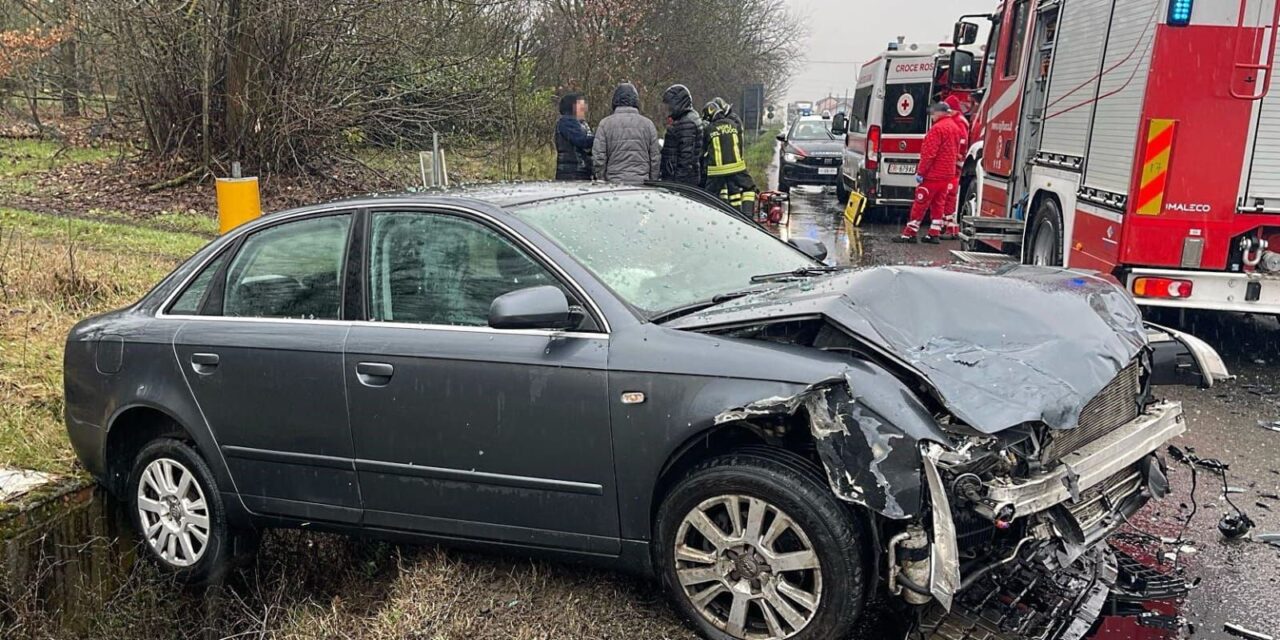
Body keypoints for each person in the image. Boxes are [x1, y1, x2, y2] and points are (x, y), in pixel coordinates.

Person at [896, 101, 962, 244]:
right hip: (947, 175)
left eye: (932, 113)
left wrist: (921, 172)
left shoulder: (937, 129)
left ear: (939, 113)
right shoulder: (955, 128)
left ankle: (909, 234)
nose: (931, 116)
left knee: (920, 203)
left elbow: (929, 154)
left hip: (933, 175)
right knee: (939, 204)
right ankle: (934, 233)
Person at [593, 83, 662, 185]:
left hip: (614, 183)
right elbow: (655, 159)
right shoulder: (648, 125)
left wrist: (601, 179)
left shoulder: (605, 124)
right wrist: (652, 180)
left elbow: (599, 157)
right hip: (642, 183)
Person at [702, 99, 757, 218]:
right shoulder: (734, 124)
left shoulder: (709, 129)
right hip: (737, 168)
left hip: (716, 171)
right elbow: (739, 145)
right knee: (749, 188)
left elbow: (703, 151)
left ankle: (711, 218)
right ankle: (748, 217)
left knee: (709, 196)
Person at [660, 84, 703, 186]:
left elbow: (686, 160)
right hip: (685, 178)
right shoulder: (688, 118)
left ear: (678, 103)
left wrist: (677, 184)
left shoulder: (687, 123)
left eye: (670, 105)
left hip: (681, 181)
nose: (668, 109)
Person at [941, 94, 970, 239]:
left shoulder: (959, 122)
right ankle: (947, 226)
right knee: (948, 195)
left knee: (950, 195)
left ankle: (950, 229)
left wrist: (956, 159)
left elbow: (962, 143)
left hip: (955, 166)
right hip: (953, 165)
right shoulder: (957, 120)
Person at [554, 92, 594, 181]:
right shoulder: (566, 122)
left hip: (580, 171)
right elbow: (582, 141)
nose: (584, 109)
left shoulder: (581, 124)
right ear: (572, 107)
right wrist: (600, 137)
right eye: (581, 106)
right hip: (572, 172)